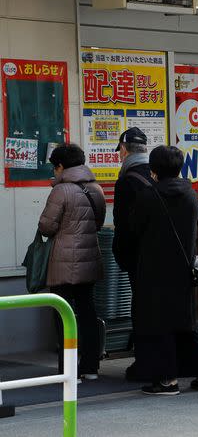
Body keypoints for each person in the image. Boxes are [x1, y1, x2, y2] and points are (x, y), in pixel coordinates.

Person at [130, 145, 198, 395]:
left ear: (154, 170)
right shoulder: (190, 195)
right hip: (185, 268)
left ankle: (168, 380)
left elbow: (134, 231)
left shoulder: (148, 196)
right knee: (186, 322)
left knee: (160, 324)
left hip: (155, 270)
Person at [39, 143, 106, 380]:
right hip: (89, 259)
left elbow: (46, 226)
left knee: (62, 315)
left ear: (60, 166)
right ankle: (90, 367)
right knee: (88, 312)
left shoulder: (61, 191)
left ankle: (68, 371)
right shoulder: (95, 188)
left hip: (64, 262)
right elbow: (97, 223)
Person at [111, 127, 151, 381]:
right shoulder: (159, 174)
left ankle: (145, 362)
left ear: (124, 151)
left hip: (140, 257)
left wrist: (122, 256)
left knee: (142, 308)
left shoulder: (127, 180)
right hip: (166, 256)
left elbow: (123, 224)